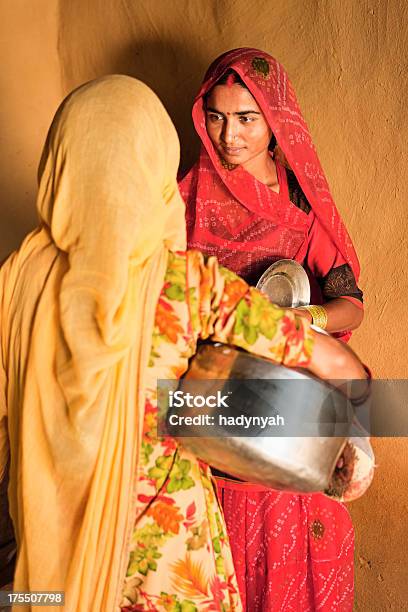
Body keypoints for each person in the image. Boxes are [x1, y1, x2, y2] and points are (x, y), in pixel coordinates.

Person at [0, 75, 370, 612]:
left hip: (49, 558)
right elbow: (331, 360)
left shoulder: (13, 283)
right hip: (167, 558)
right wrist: (353, 446)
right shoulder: (182, 282)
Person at [180, 48, 368, 610]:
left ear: (275, 122)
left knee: (297, 548)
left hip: (292, 396)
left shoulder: (300, 203)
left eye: (246, 119)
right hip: (206, 396)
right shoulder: (186, 195)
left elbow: (350, 306)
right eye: (215, 116)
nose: (228, 135)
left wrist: (300, 323)